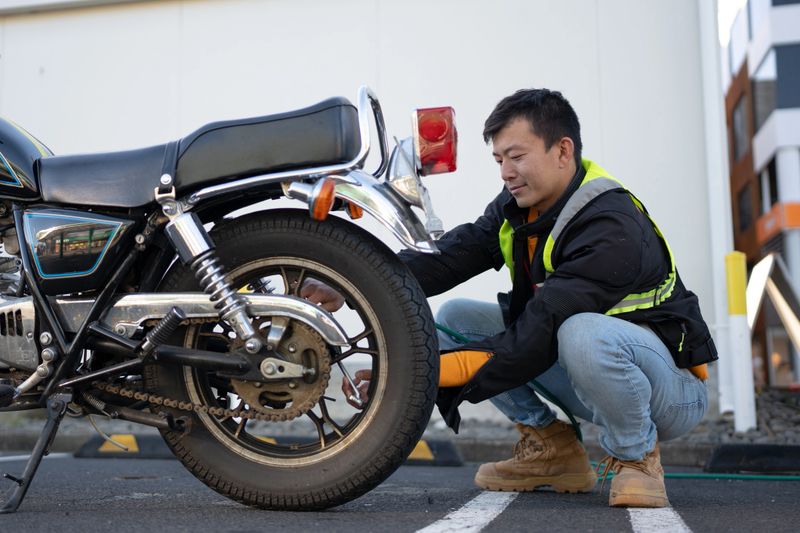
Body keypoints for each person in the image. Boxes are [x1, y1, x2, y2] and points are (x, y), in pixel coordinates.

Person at [303, 88, 717, 508]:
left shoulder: (611, 227)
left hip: (668, 391)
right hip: (587, 369)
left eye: (517, 157)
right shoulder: (521, 207)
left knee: (583, 332)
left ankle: (637, 457)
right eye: (499, 160)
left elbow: (538, 332)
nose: (505, 172)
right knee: (457, 317)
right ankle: (551, 448)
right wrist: (351, 280)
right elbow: (454, 254)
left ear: (562, 150)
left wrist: (410, 375)